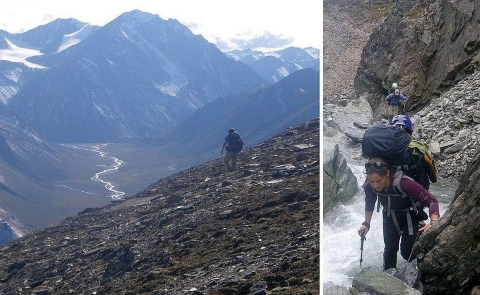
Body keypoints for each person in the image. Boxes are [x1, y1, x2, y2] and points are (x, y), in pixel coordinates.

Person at [358, 157, 440, 270]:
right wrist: (366, 223)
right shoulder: (370, 186)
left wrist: (434, 222)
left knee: (407, 252)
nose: (376, 186)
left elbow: (432, 200)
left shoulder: (404, 182)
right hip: (389, 215)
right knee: (389, 251)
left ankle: (421, 272)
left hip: (411, 215)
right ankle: (388, 280)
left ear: (387, 173)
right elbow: (370, 203)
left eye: (378, 181)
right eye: (372, 181)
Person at [390, 115, 438, 190]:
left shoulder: (384, 148)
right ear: (409, 131)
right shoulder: (418, 147)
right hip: (418, 195)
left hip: (391, 196)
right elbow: (433, 176)